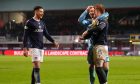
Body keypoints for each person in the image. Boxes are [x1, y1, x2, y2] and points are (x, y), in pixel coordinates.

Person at [23, 6, 59, 84]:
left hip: (41, 47)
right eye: (40, 11)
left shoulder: (42, 22)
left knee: (36, 67)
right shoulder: (29, 22)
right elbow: (25, 36)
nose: (42, 13)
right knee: (37, 66)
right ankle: (38, 82)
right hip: (33, 47)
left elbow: (46, 34)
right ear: (36, 11)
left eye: (42, 12)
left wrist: (53, 41)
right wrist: (25, 48)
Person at [78, 5, 109, 84]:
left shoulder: (101, 20)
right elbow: (80, 20)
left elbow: (98, 28)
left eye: (94, 11)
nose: (92, 12)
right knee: (93, 66)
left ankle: (104, 81)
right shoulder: (89, 22)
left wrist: (88, 31)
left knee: (105, 67)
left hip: (101, 45)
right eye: (91, 11)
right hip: (92, 46)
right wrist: (86, 10)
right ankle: (93, 82)